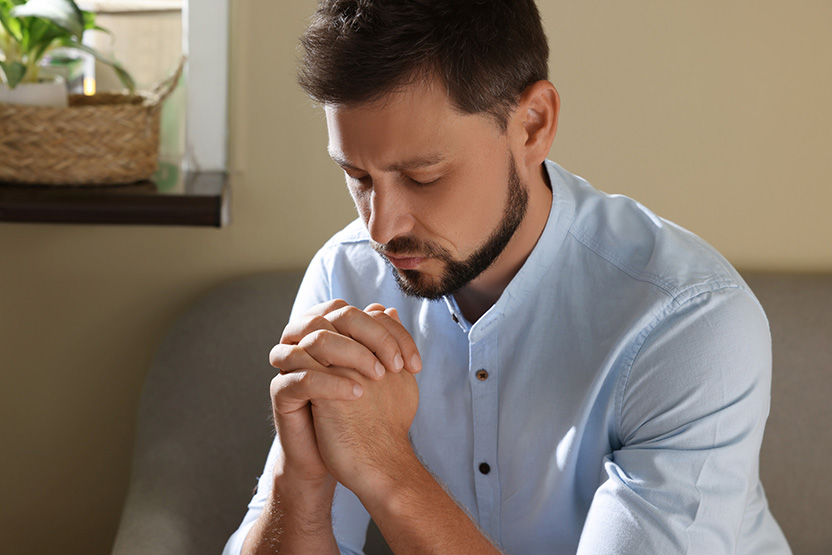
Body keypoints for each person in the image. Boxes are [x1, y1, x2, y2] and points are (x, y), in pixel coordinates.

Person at [225, 1, 791, 553]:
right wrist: (298, 480)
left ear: (532, 125)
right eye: (358, 177)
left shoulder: (689, 320)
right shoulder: (345, 273)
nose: (380, 228)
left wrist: (388, 467)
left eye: (423, 177)